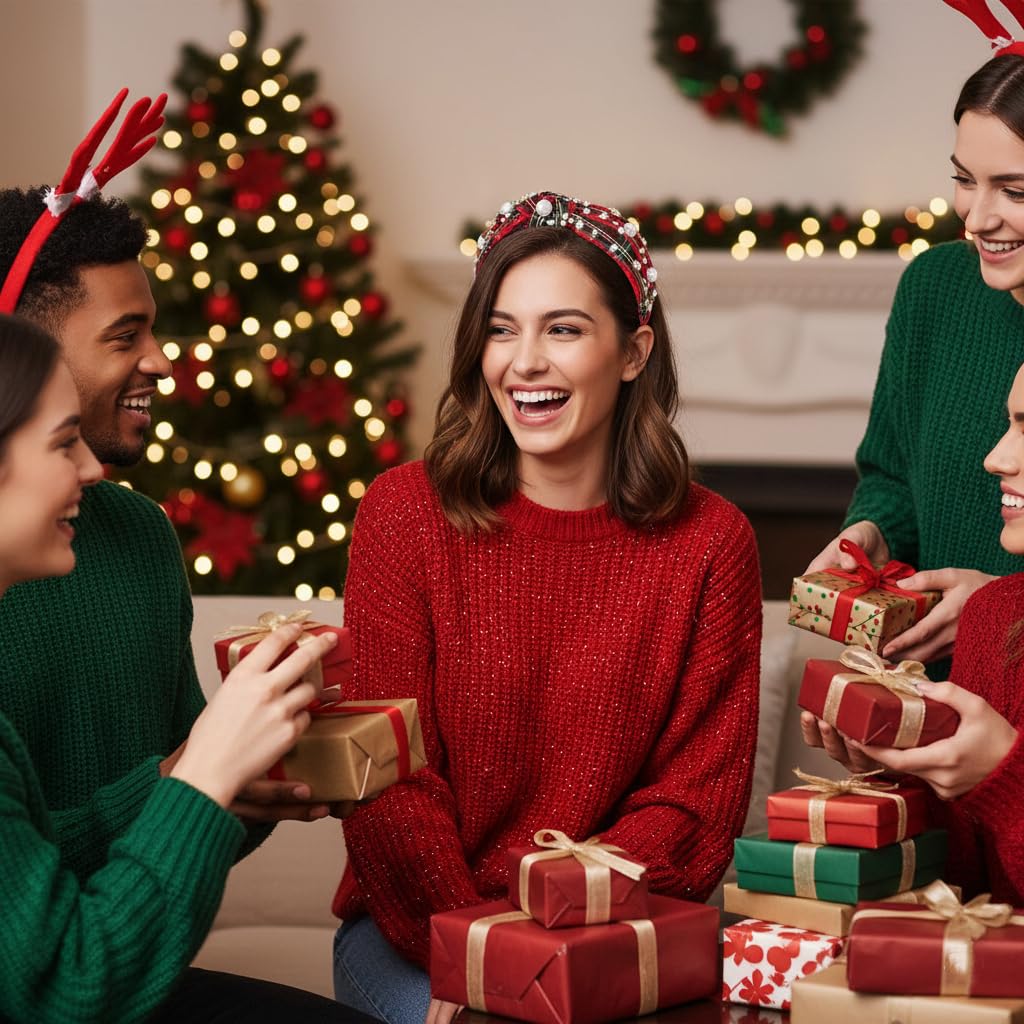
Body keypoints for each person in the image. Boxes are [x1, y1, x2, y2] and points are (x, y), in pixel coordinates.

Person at [331, 192, 763, 1024]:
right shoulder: (404, 515)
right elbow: (388, 784)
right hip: (421, 936)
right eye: (502, 330)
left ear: (633, 352)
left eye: (562, 330)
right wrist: (480, 954)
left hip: (610, 935)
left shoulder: (712, 542)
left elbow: (694, 802)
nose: (524, 362)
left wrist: (562, 929)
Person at [0, 315, 374, 1023]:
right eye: (62, 442)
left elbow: (31, 890)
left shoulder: (139, 539)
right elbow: (67, 987)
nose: (90, 469)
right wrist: (202, 775)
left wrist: (213, 785)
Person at [803, 45, 1024, 757]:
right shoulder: (935, 289)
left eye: (1015, 191)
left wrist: (997, 607)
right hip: (928, 707)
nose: (977, 217)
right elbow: (892, 475)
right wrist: (871, 535)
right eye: (964, 179)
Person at [801, 357, 1024, 908]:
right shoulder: (993, 616)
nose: (995, 458)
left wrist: (1004, 776)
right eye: (1011, 423)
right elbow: (961, 888)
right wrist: (900, 768)